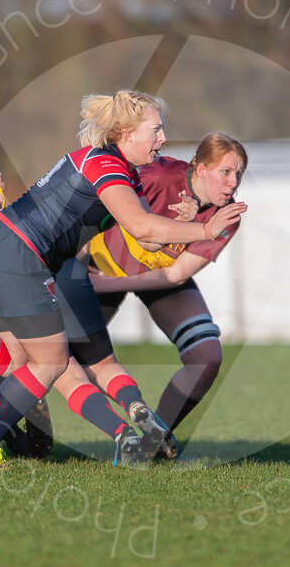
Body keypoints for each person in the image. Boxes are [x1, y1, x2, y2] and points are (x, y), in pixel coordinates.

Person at [0, 90, 246, 471]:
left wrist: (189, 222)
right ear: (126, 133)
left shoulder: (120, 170)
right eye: (155, 130)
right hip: (13, 255)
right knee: (49, 361)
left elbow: (149, 236)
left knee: (31, 358)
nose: (162, 138)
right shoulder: (105, 164)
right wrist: (204, 229)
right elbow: (141, 226)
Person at [85, 132, 247, 454]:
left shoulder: (226, 215)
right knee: (56, 355)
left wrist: (109, 285)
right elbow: (97, 196)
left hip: (148, 278)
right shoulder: (157, 174)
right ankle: (18, 433)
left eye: (239, 173)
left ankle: (153, 438)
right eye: (226, 172)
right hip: (101, 263)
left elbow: (176, 274)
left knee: (206, 357)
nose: (233, 182)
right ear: (200, 169)